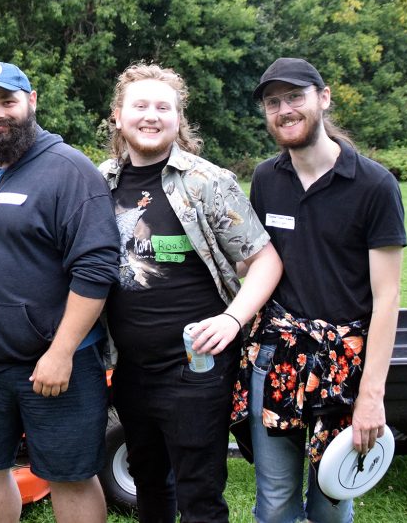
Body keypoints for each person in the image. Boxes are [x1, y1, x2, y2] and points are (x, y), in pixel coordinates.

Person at [98, 63, 283, 523]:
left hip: (195, 369)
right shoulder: (100, 183)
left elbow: (265, 260)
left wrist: (232, 318)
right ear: (118, 116)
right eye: (139, 105)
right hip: (130, 369)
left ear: (178, 119)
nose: (151, 116)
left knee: (199, 495)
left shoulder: (206, 182)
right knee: (149, 486)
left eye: (164, 107)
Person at [0, 61, 119, 523]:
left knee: (72, 475)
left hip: (56, 361)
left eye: (8, 102)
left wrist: (60, 352)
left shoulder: (70, 170)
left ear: (32, 102)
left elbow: (96, 269)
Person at [234, 57, 406, 523]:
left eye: (295, 97)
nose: (284, 109)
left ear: (323, 98)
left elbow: (387, 298)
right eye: (273, 102)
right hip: (275, 360)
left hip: (343, 368)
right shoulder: (267, 179)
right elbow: (256, 265)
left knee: (332, 499)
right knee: (274, 501)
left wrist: (372, 393)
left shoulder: (374, 185)